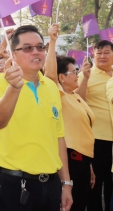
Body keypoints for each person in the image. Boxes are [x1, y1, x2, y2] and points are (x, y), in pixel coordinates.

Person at [0, 25, 73, 211]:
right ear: (13, 54)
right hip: (14, 185)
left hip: (50, 184)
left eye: (40, 47)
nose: (36, 52)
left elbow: (58, 138)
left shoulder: (51, 86)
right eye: (27, 48)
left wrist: (66, 183)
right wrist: (14, 88)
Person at [45, 23, 95, 211]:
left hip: (83, 160)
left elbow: (84, 128)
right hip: (70, 160)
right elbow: (49, 75)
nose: (77, 74)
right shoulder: (57, 94)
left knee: (81, 204)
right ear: (61, 77)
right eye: (74, 72)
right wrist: (52, 41)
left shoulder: (73, 96)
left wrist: (89, 165)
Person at [77, 40, 113, 211]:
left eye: (107, 52)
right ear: (93, 54)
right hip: (98, 138)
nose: (103, 56)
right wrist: (84, 78)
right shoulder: (87, 74)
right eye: (99, 53)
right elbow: (78, 100)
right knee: (95, 185)